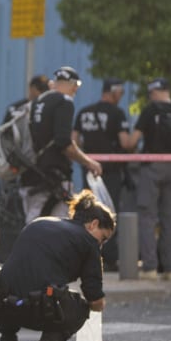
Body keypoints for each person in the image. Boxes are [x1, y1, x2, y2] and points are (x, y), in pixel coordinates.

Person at [0, 189, 115, 341]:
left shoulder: (39, 223)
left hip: (3, 304)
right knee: (81, 307)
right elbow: (94, 297)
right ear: (93, 224)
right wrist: (98, 305)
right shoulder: (89, 244)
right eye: (103, 238)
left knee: (10, 286)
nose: (101, 245)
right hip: (39, 308)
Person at [120, 77, 171, 281]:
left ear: (153, 93)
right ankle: (170, 269)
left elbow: (132, 142)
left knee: (147, 218)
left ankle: (150, 268)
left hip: (151, 168)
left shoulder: (150, 111)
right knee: (169, 219)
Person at [20, 66, 102, 224]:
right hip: (53, 176)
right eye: (76, 87)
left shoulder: (36, 102)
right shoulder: (64, 102)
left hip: (30, 173)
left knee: (32, 223)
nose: (76, 91)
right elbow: (64, 142)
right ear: (72, 84)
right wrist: (89, 162)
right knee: (57, 226)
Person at [72, 78, 131, 271]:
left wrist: (86, 156)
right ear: (112, 92)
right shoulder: (117, 113)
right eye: (120, 93)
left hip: (89, 169)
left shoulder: (84, 112)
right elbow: (125, 142)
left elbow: (74, 141)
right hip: (111, 170)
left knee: (89, 212)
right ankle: (110, 258)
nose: (121, 97)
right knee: (110, 212)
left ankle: (87, 254)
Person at [0, 74, 50, 260]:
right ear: (33, 89)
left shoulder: (19, 108)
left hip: (20, 169)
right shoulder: (28, 109)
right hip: (27, 170)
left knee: (18, 214)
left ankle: (16, 253)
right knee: (21, 214)